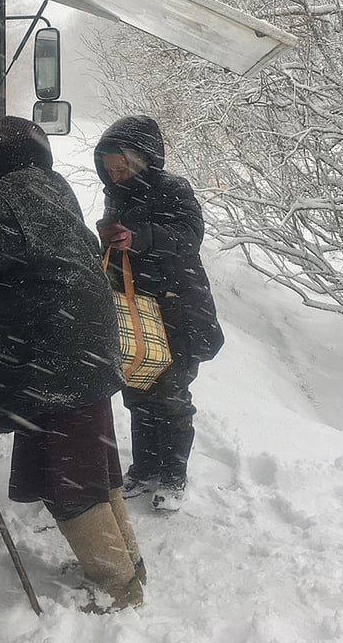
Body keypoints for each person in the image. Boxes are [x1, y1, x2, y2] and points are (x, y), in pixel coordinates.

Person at [0, 116, 145, 610]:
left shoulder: (10, 197)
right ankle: (127, 565)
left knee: (71, 477)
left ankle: (117, 589)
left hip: (57, 356)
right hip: (80, 347)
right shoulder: (51, 187)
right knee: (95, 467)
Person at [94, 115, 225, 512]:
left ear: (143, 160)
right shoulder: (116, 194)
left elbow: (190, 237)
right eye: (109, 169)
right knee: (137, 393)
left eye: (122, 168)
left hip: (177, 311)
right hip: (137, 312)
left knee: (170, 396)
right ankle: (145, 467)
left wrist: (141, 238)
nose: (114, 177)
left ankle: (173, 473)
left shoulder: (173, 189)